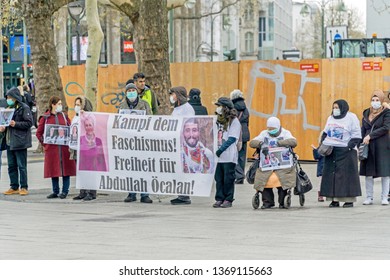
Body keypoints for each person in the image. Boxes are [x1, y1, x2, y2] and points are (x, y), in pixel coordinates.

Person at [319, 99, 362, 208]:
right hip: (332, 150)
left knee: (346, 176)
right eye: (334, 107)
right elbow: (325, 131)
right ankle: (334, 199)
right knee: (331, 176)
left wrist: (349, 147)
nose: (335, 110)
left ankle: (349, 199)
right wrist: (324, 142)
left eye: (337, 107)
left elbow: (356, 134)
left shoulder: (351, 117)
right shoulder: (330, 118)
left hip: (346, 151)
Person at [249, 117, 297, 209]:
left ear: (278, 127)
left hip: (282, 165)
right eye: (269, 129)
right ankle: (267, 202)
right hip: (268, 165)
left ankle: (282, 202)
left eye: (273, 129)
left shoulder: (285, 133)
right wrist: (260, 144)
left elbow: (294, 142)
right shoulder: (264, 133)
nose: (271, 131)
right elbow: (252, 143)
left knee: (282, 179)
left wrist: (280, 142)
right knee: (263, 178)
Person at [36, 96, 76, 199]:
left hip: (64, 148)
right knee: (54, 169)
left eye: (60, 104)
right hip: (52, 149)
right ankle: (55, 190)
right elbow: (39, 133)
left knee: (65, 170)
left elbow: (70, 128)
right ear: (53, 105)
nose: (60, 106)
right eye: (58, 104)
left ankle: (65, 191)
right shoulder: (45, 118)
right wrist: (45, 144)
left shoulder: (64, 116)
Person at [119, 83, 153, 203]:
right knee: (130, 168)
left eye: (133, 90)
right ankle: (131, 193)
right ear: (126, 93)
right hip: (128, 142)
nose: (132, 92)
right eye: (129, 90)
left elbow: (151, 120)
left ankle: (145, 194)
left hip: (142, 141)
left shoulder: (144, 104)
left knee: (143, 167)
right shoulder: (122, 105)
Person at [0, 87, 33, 196]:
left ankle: (24, 186)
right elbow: (5, 122)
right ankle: (14, 186)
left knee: (21, 166)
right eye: (7, 97)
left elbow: (29, 123)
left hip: (20, 141)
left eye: (9, 97)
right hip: (9, 141)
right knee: (11, 165)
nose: (8, 99)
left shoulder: (24, 108)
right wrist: (3, 127)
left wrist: (16, 124)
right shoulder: (7, 108)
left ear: (15, 97)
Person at [359, 90, 390, 205]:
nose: (375, 102)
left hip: (382, 146)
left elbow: (386, 128)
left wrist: (370, 136)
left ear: (382, 101)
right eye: (373, 100)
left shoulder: (386, 113)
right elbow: (363, 129)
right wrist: (360, 143)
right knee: (368, 173)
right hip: (368, 146)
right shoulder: (366, 113)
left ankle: (384, 197)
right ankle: (369, 197)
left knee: (385, 172)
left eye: (377, 100)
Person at [212, 97, 241, 208]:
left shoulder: (234, 121)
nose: (218, 108)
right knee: (218, 178)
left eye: (220, 106)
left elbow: (232, 138)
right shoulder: (217, 120)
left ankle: (228, 199)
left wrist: (221, 150)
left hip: (228, 155)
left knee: (228, 178)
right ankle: (219, 198)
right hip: (218, 156)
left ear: (225, 108)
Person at [169, 86, 195, 205]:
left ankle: (185, 196)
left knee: (184, 169)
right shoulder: (177, 108)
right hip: (176, 143)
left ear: (178, 95)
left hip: (184, 143)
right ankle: (181, 194)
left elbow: (188, 124)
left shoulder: (187, 108)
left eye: (173, 94)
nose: (171, 96)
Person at [71, 95, 98, 201]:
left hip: (88, 148)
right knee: (80, 171)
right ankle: (82, 191)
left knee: (89, 170)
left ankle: (91, 192)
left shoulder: (90, 116)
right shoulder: (76, 117)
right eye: (76, 105)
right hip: (78, 147)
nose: (77, 107)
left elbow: (91, 127)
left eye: (79, 105)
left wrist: (84, 117)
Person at [230, 89, 250, 184]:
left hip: (236, 133)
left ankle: (239, 176)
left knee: (234, 154)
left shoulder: (232, 107)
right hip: (244, 133)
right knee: (242, 156)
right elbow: (247, 122)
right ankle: (241, 176)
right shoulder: (245, 108)